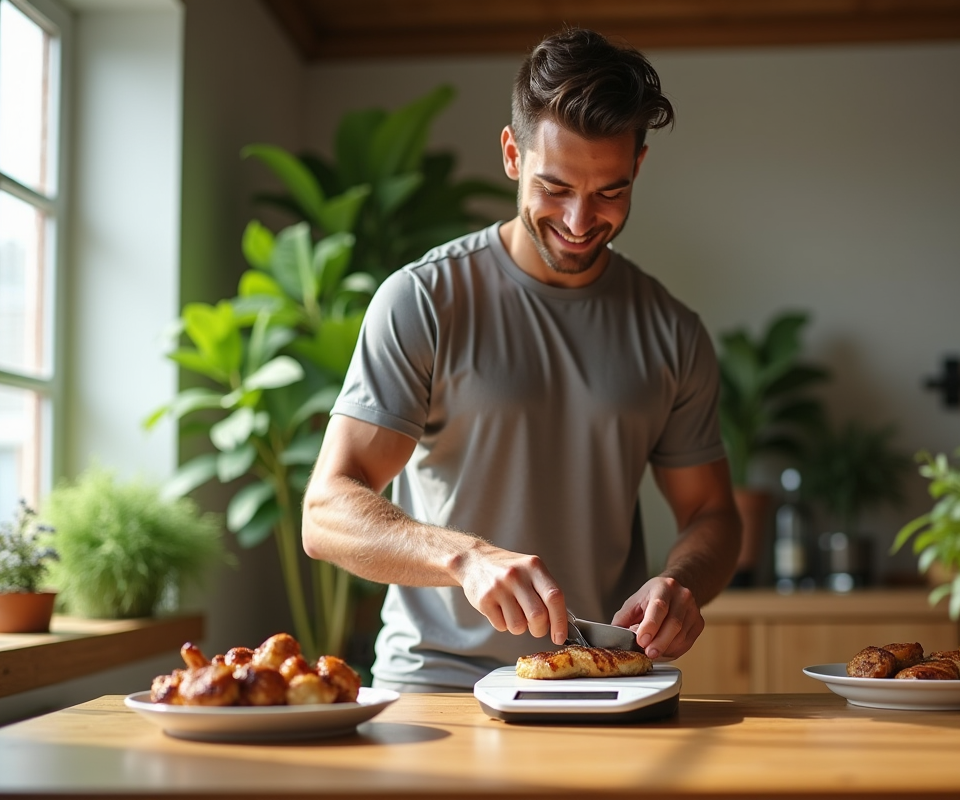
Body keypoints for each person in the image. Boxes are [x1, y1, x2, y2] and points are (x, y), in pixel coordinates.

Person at [302, 27, 741, 692]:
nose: (579, 220)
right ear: (512, 154)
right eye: (555, 187)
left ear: (639, 167)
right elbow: (326, 512)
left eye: (610, 192)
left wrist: (681, 583)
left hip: (600, 682)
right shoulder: (424, 300)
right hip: (436, 687)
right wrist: (464, 558)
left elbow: (713, 513)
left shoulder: (672, 330)